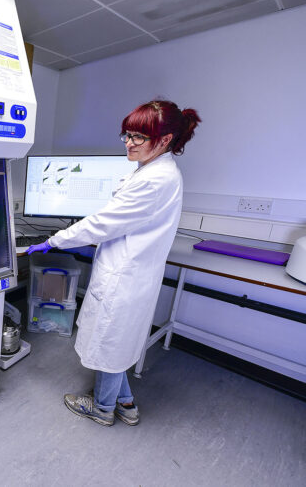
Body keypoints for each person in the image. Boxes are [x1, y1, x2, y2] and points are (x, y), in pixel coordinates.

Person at [26, 100, 201, 426]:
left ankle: (103, 409)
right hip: (131, 271)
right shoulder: (156, 170)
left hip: (125, 275)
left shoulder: (156, 179)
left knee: (109, 343)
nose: (128, 143)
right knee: (117, 342)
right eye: (127, 134)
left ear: (163, 140)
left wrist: (53, 240)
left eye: (138, 137)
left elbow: (102, 223)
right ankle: (126, 403)